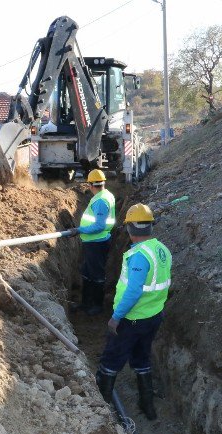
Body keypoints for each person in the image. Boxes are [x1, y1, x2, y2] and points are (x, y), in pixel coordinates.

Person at [95, 203, 172, 421]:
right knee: (141, 357)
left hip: (132, 319)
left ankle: (102, 410)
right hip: (154, 316)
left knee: (111, 360)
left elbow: (134, 290)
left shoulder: (139, 255)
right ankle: (147, 406)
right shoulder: (161, 249)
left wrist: (116, 317)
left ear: (130, 229)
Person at [67, 169, 116, 316]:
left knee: (97, 275)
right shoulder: (104, 195)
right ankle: (86, 303)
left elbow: (100, 225)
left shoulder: (101, 200)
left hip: (97, 243)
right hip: (93, 243)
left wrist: (79, 230)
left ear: (90, 185)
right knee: (88, 273)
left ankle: (97, 305)